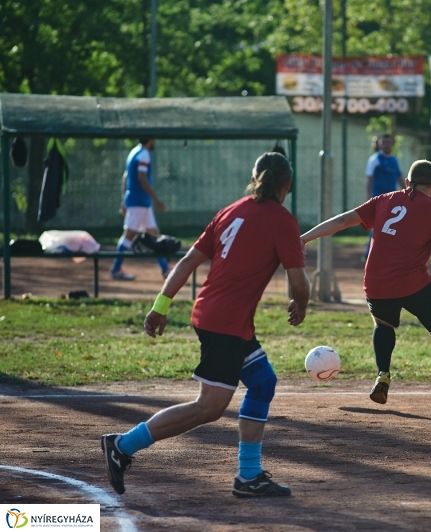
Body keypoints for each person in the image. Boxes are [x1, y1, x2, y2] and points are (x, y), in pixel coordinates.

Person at [102, 152, 310, 498]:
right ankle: (122, 445)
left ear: (254, 176)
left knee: (262, 384)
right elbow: (299, 282)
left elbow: (187, 261)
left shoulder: (231, 211)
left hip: (220, 317)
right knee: (210, 407)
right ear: (287, 184)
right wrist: (300, 305)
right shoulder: (282, 220)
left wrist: (160, 306)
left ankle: (249, 476)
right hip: (225, 323)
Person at [301, 159, 431, 416]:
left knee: (383, 324)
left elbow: (344, 220)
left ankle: (383, 374)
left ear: (408, 182)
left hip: (376, 281)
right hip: (412, 283)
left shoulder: (384, 200)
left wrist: (305, 237)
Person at [110, 139, 170, 281]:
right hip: (139, 201)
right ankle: (116, 269)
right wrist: (156, 199)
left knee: (154, 234)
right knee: (129, 235)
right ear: (150, 140)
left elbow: (126, 177)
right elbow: (142, 178)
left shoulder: (134, 152)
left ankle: (166, 269)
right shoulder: (144, 154)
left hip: (139, 201)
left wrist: (124, 200)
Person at [363, 134, 405, 259]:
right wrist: (369, 198)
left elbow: (400, 178)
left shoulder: (394, 160)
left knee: (392, 225)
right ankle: (368, 253)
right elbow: (369, 180)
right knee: (377, 225)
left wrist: (408, 193)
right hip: (378, 198)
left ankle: (388, 252)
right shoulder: (375, 159)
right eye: (384, 142)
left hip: (392, 199)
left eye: (389, 142)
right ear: (379, 144)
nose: (387, 144)